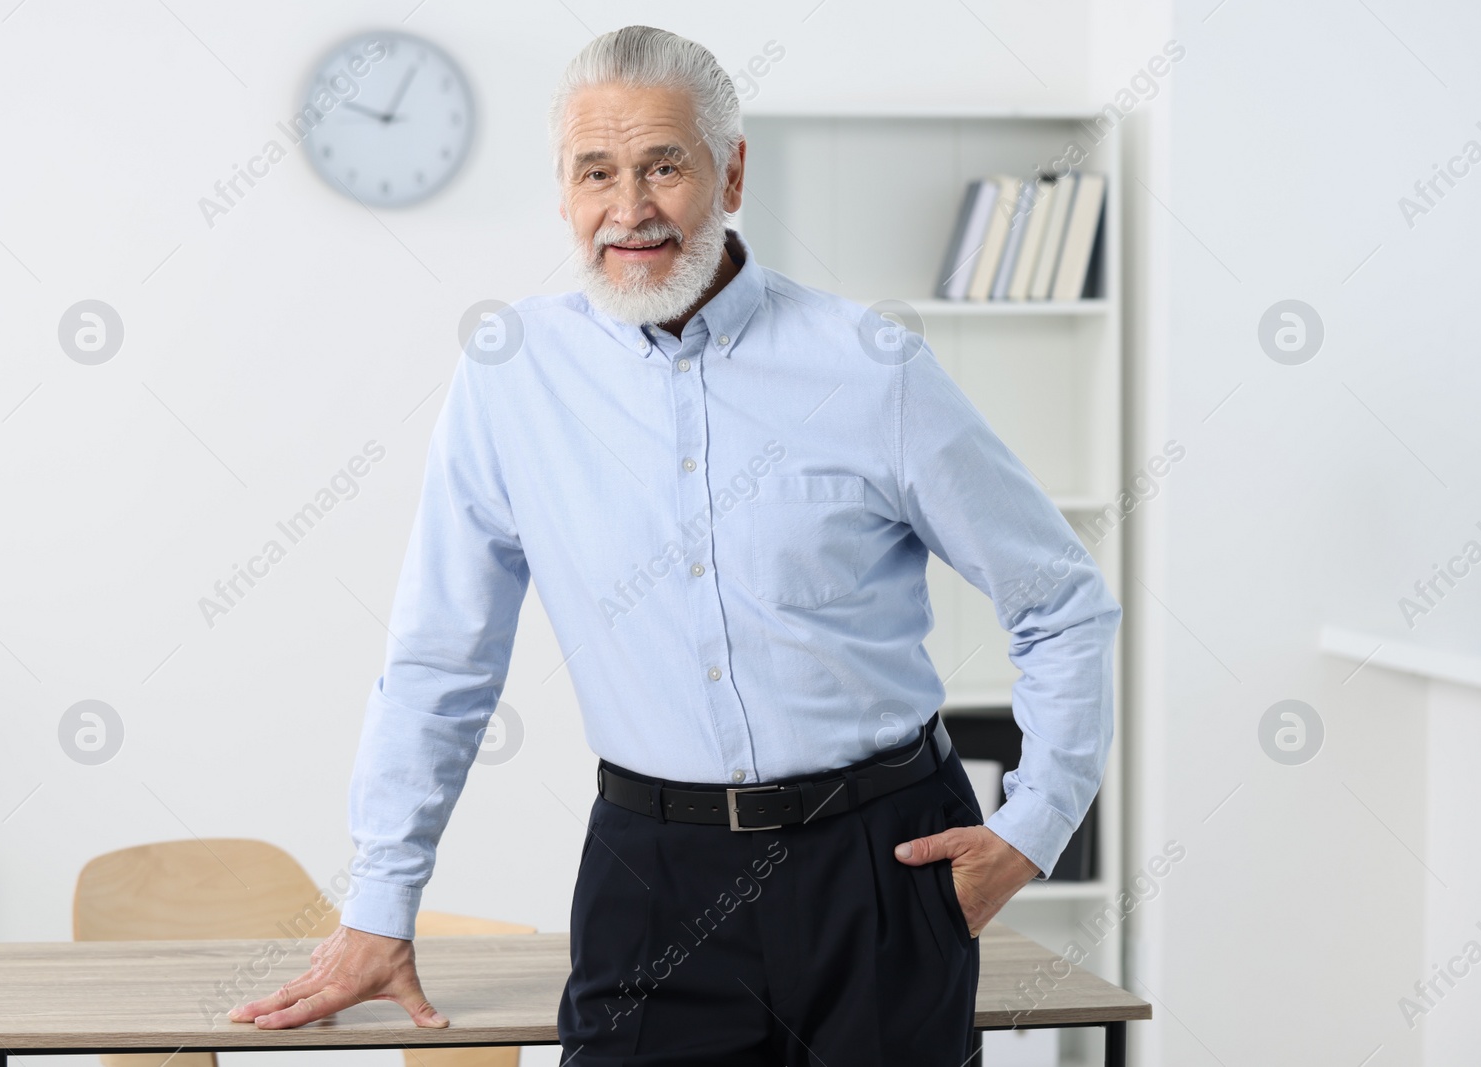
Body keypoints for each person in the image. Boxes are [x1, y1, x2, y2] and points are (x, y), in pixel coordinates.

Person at [231, 24, 1121, 1065]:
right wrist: (381, 899)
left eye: (664, 165)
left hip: (879, 858)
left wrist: (1031, 828)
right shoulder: (510, 377)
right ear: (562, 192)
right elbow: (443, 655)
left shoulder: (868, 364)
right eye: (596, 172)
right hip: (653, 872)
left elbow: (1059, 597)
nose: (630, 208)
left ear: (730, 169)